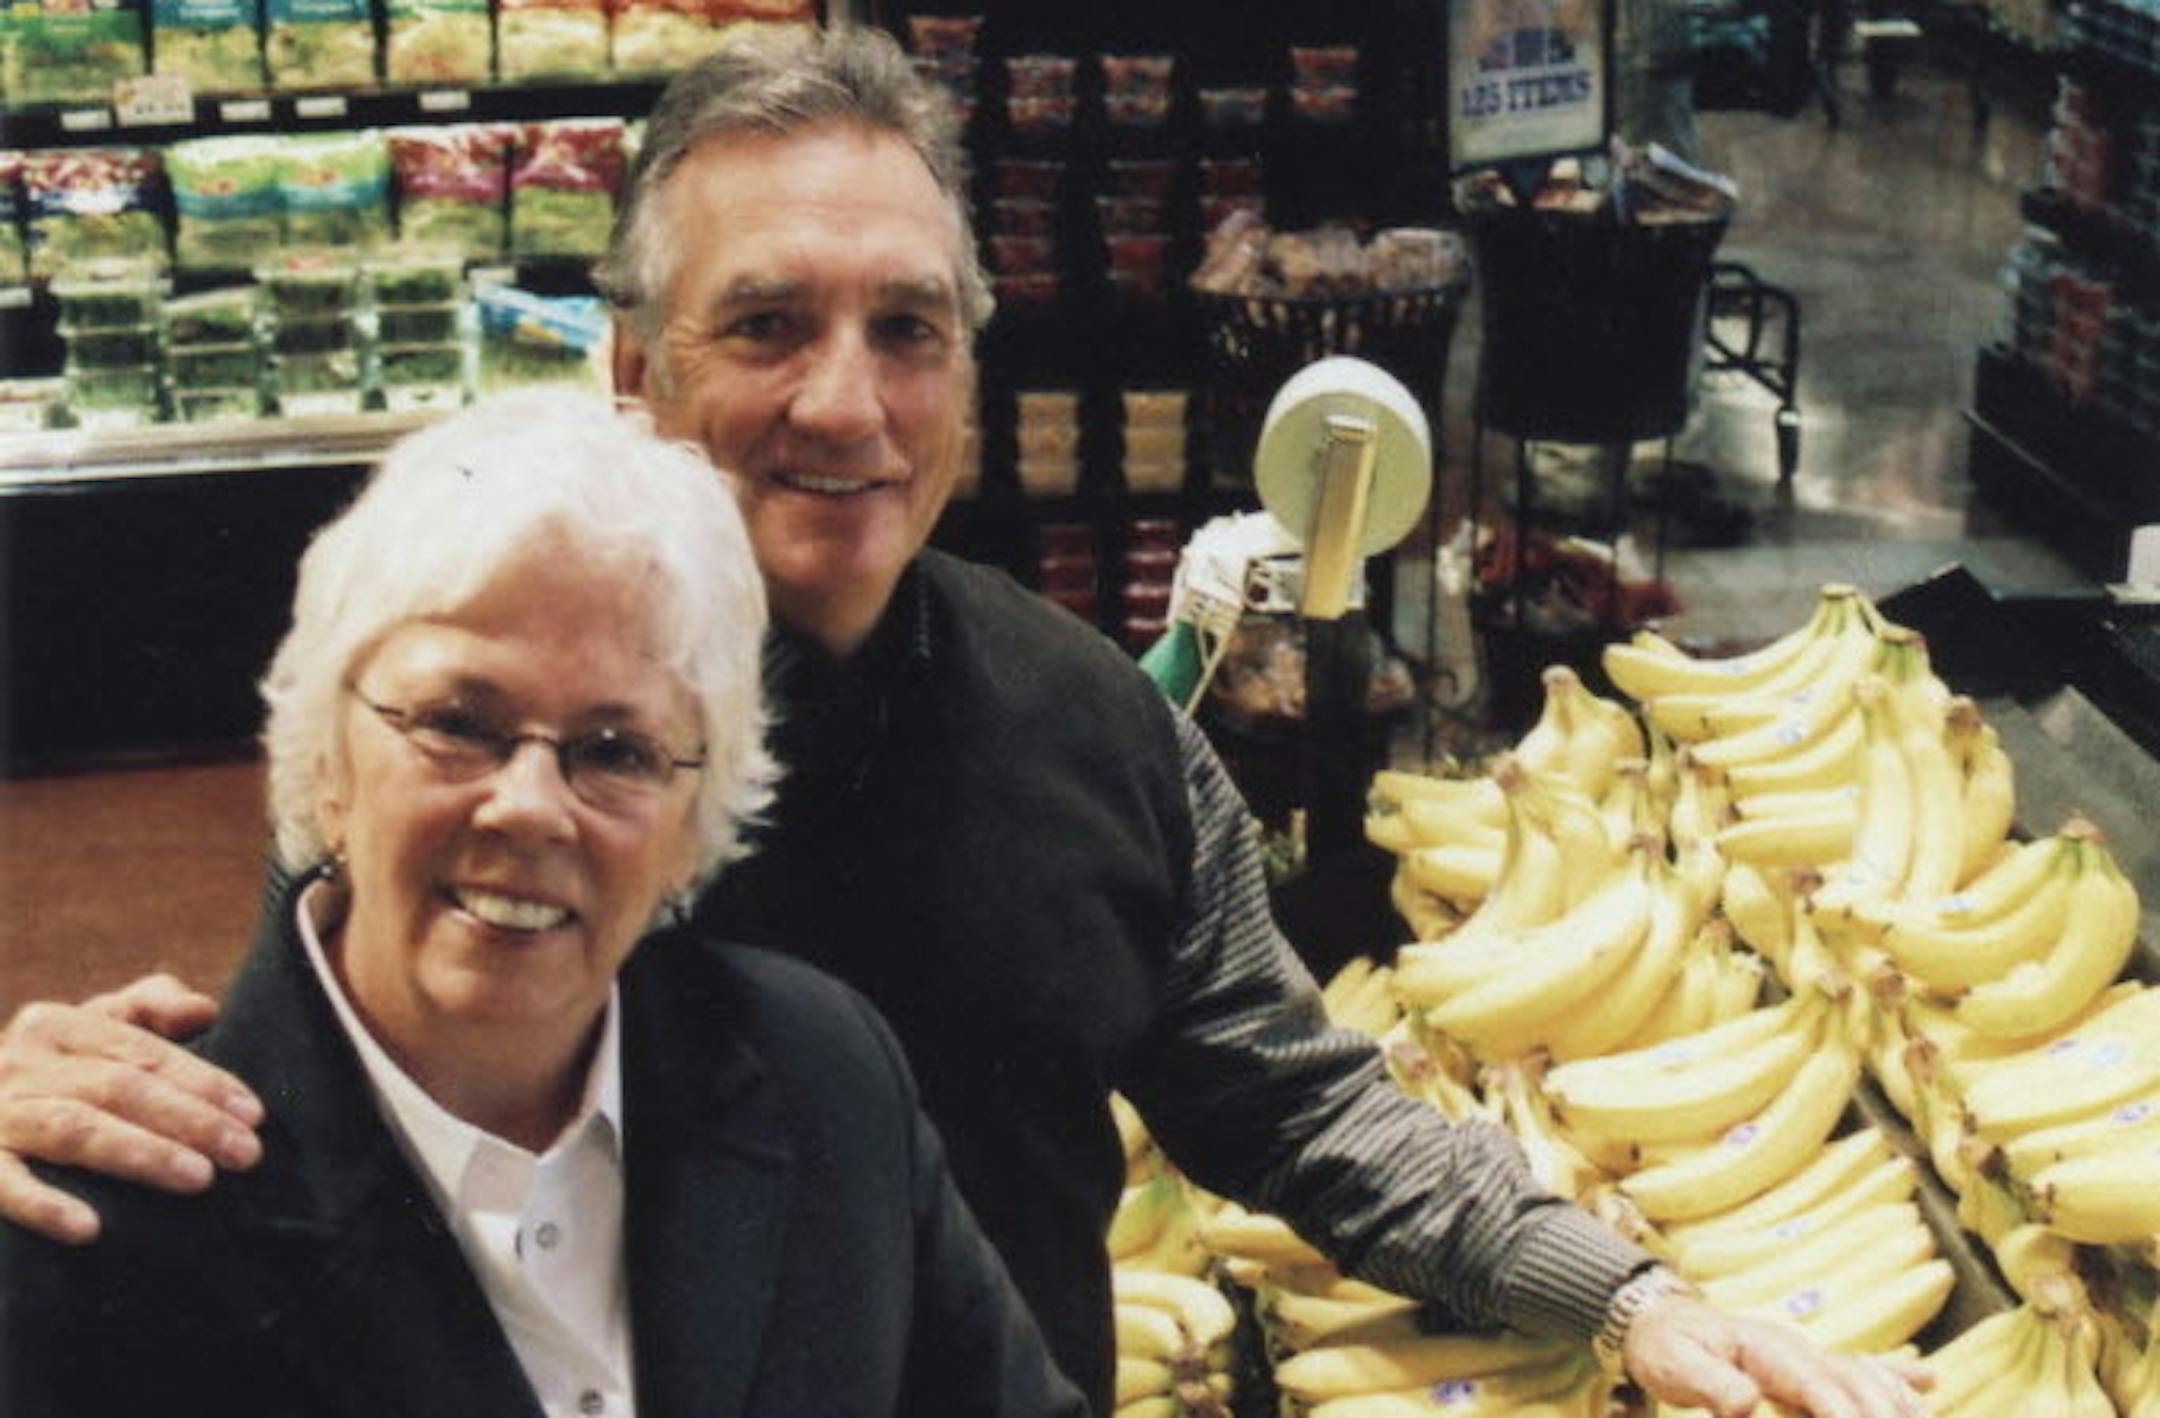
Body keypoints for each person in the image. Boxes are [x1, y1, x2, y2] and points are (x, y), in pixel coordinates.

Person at [0, 27, 1927, 1418]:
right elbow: (310, 1078)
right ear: (635, 366)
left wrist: (1625, 1294)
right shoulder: (475, 724)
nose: (847, 404)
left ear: (968, 378)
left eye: (906, 330)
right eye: (768, 325)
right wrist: (49, 1116)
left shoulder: (1094, 723)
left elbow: (1288, 1089)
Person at [0, 391, 1086, 1418]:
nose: (527, 806)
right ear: (326, 759)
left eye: (615, 750)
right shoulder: (97, 1218)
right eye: (457, 723)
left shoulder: (826, 1076)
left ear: (691, 824)